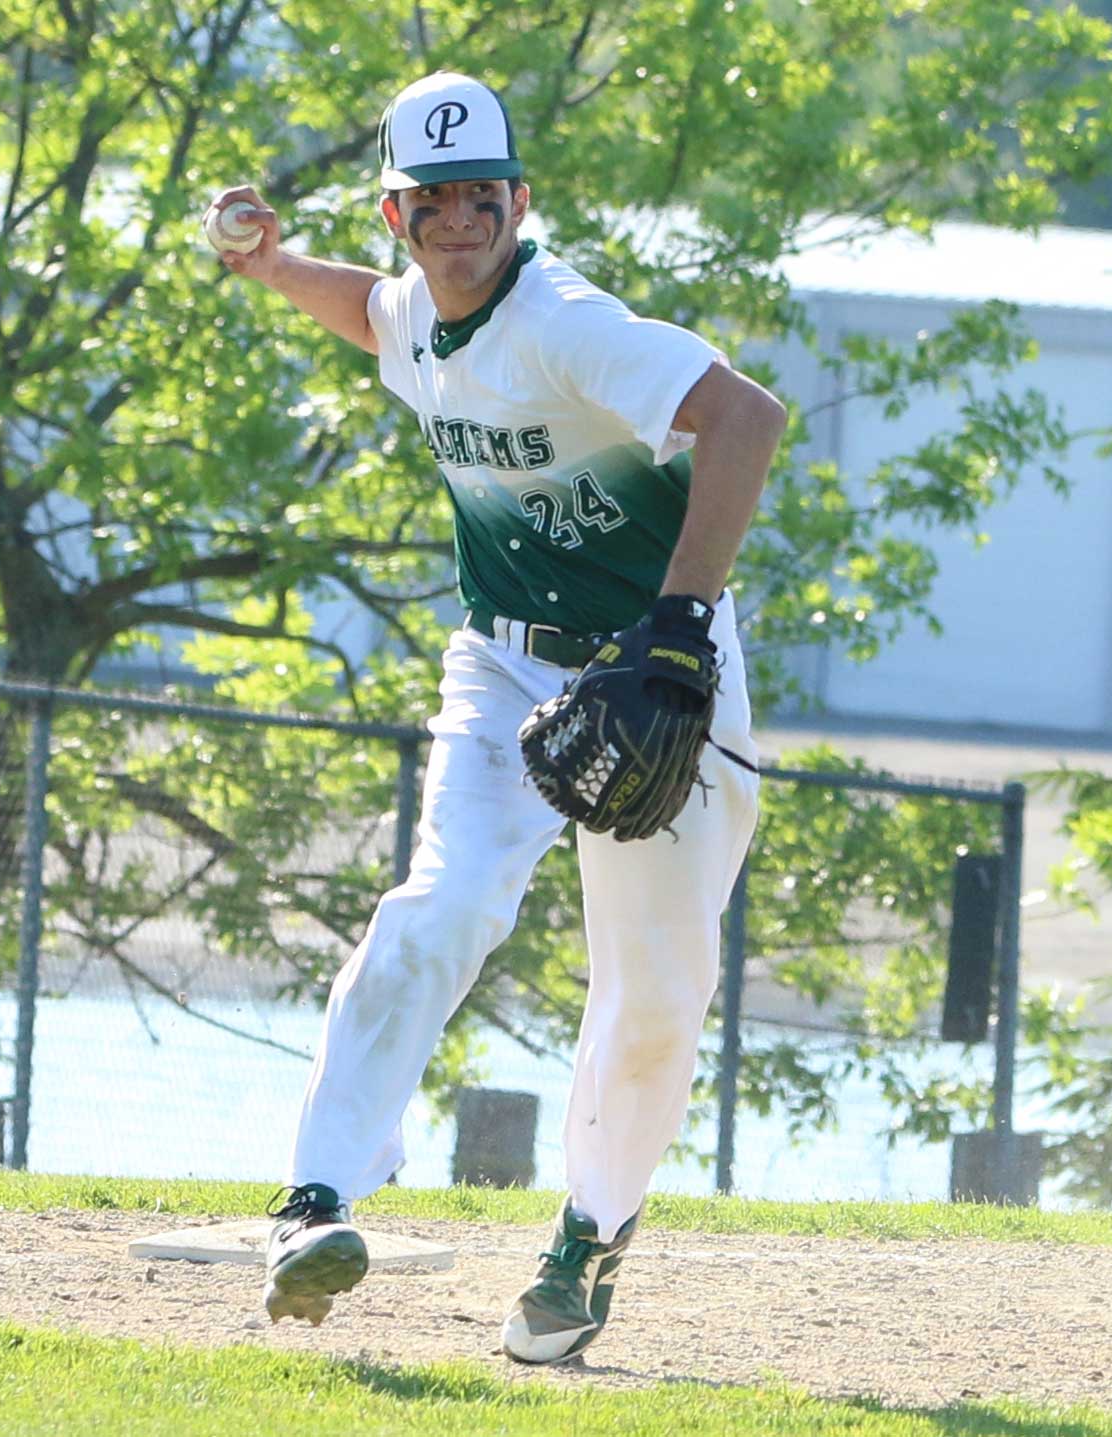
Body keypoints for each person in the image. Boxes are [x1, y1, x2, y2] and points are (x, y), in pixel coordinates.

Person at [205, 70, 785, 1364]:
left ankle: (589, 1237)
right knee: (441, 903)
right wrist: (271, 265)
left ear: (521, 202)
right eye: (432, 200)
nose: (459, 220)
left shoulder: (564, 322)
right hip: (503, 664)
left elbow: (746, 419)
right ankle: (316, 1198)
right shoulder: (414, 308)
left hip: (659, 669)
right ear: (395, 215)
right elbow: (370, 314)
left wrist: (681, 625)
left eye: (481, 195)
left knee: (654, 989)